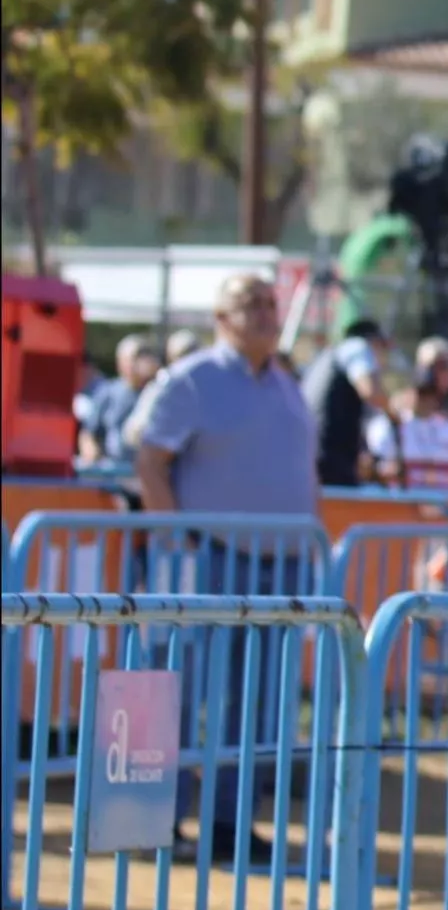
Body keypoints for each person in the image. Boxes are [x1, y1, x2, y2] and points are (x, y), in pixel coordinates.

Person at [132, 273, 318, 867]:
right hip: (212, 559)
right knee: (184, 692)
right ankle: (155, 822)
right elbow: (150, 461)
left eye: (270, 302)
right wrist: (178, 544)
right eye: (250, 304)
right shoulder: (193, 379)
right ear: (220, 318)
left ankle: (228, 825)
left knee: (259, 703)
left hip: (282, 565)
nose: (265, 313)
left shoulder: (287, 384)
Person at [299, 318, 392, 487]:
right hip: (331, 462)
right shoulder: (356, 346)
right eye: (382, 346)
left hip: (312, 459)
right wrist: (393, 410)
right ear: (374, 341)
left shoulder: (325, 358)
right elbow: (370, 391)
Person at [364, 378, 448, 490]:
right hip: (405, 492)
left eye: (430, 395)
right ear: (409, 394)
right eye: (421, 395)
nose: (425, 400)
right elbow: (383, 456)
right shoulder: (392, 424)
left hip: (445, 492)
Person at [77, 334, 160, 466]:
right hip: (113, 470)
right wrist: (93, 458)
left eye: (143, 356)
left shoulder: (158, 392)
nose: (139, 363)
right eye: (134, 358)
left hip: (148, 469)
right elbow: (88, 434)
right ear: (121, 362)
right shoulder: (108, 393)